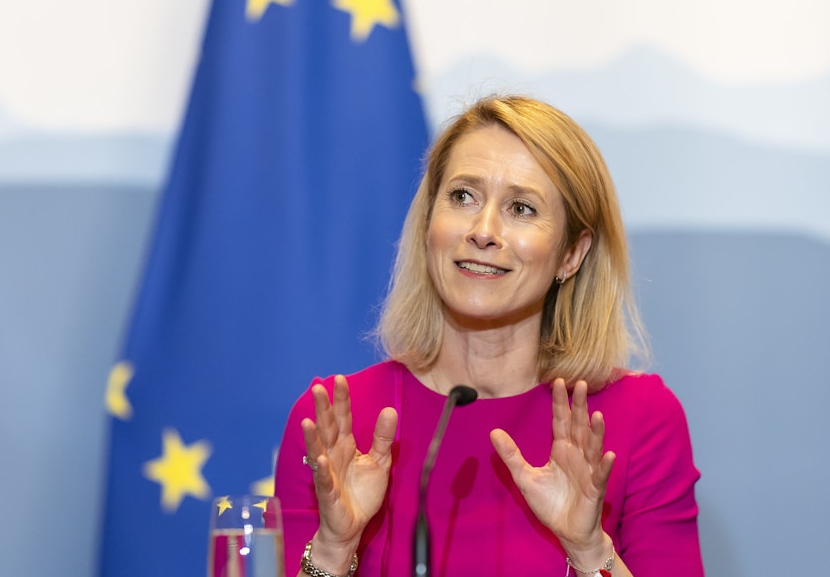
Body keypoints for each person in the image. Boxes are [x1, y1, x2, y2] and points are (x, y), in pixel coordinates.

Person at [274, 95, 702, 576]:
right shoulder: (335, 421)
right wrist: (333, 549)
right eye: (463, 197)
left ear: (571, 255)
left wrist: (588, 550)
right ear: (429, 223)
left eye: (521, 208)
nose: (483, 230)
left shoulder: (638, 418)